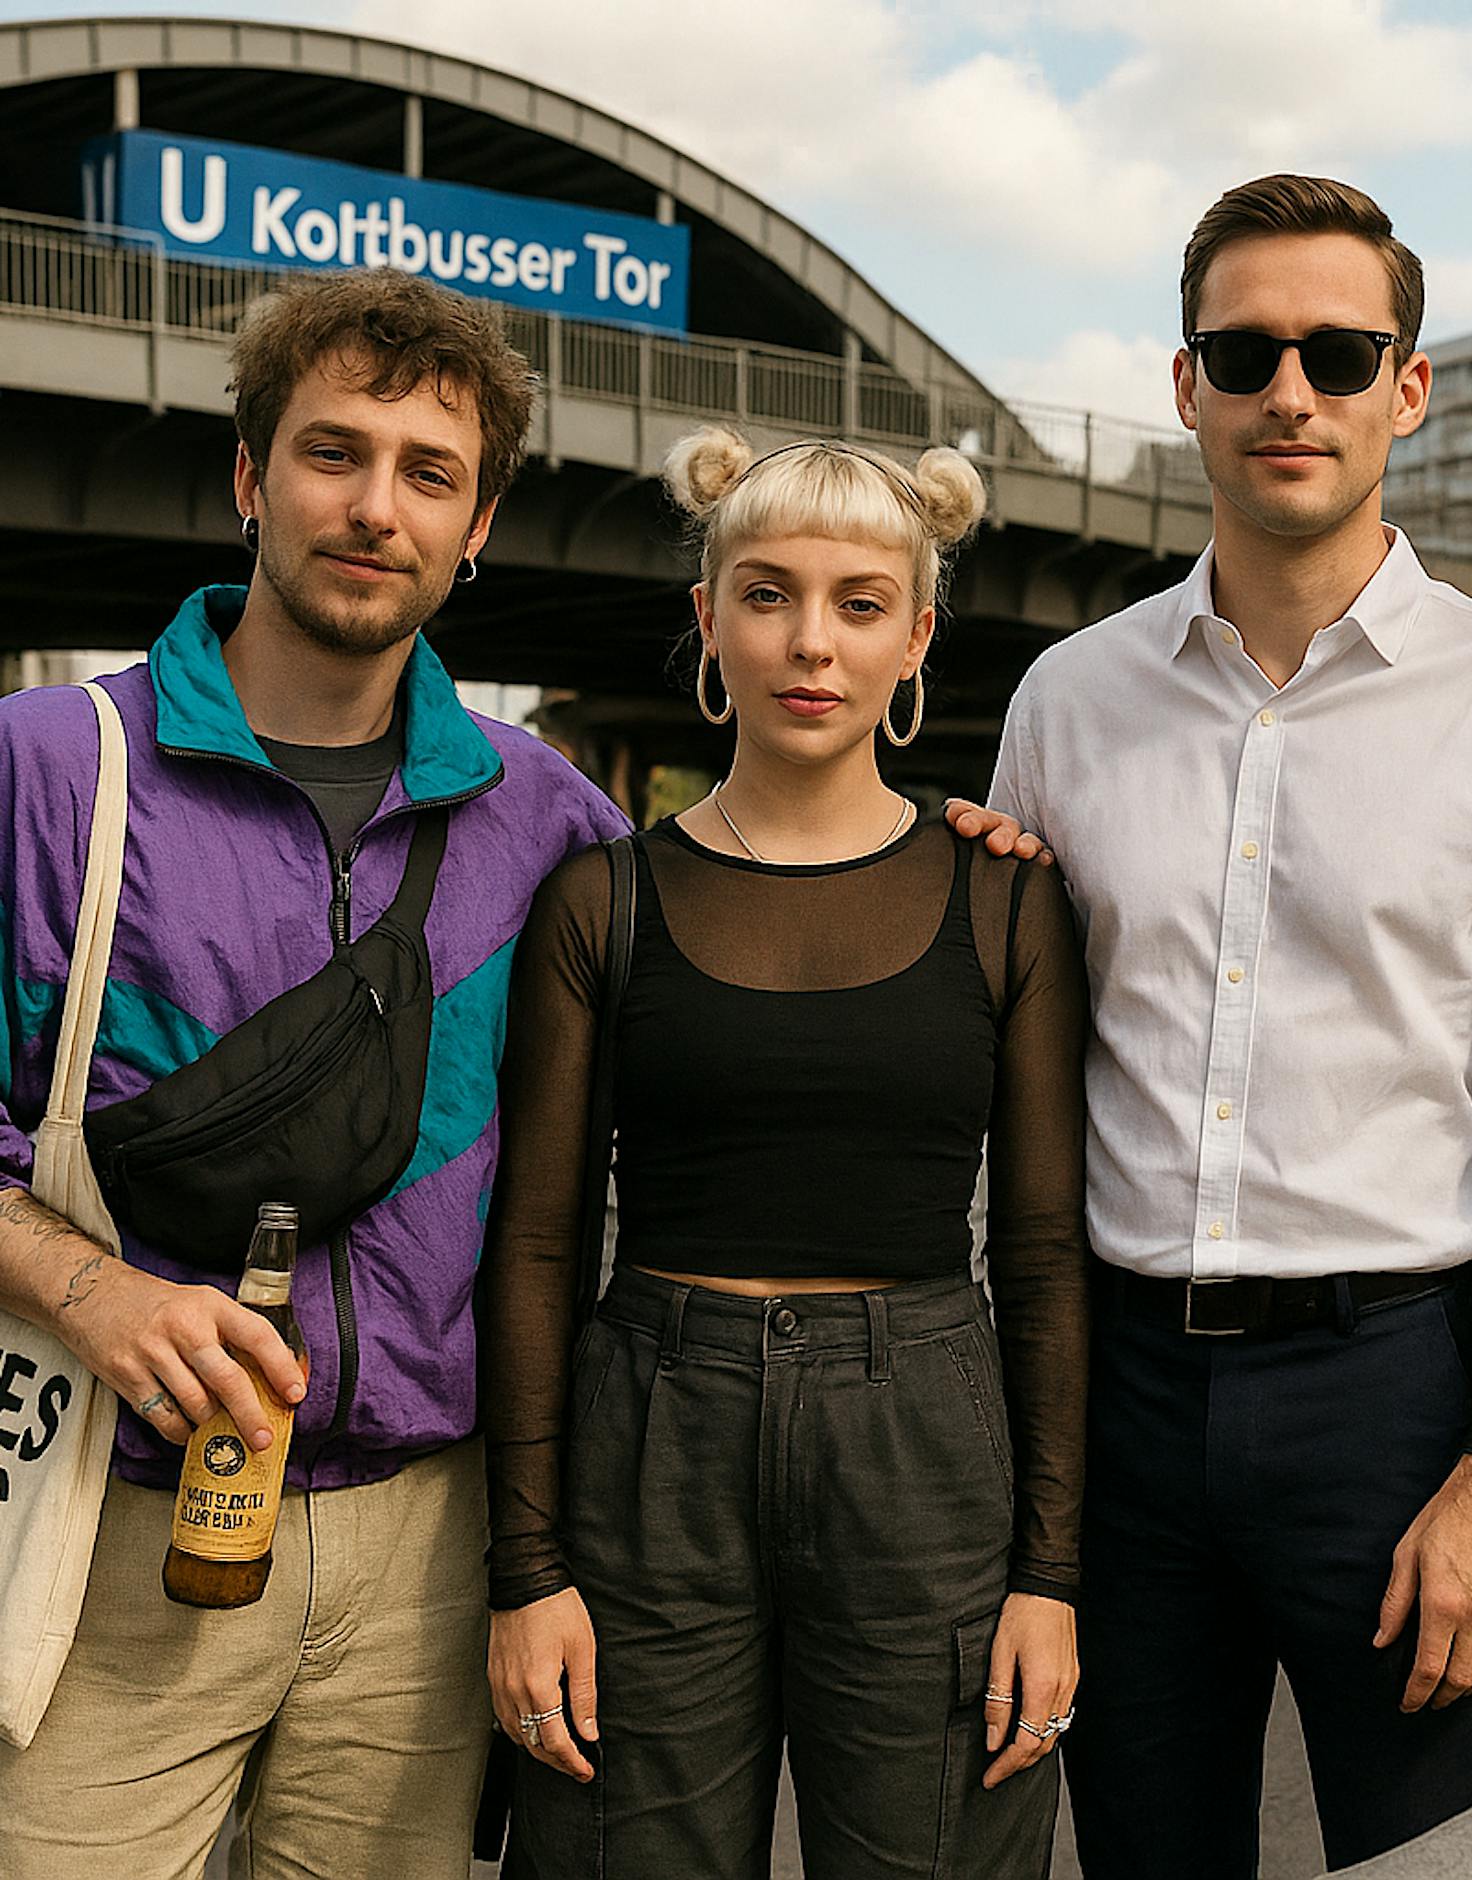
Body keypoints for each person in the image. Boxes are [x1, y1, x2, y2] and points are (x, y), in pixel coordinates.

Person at [951, 173, 1472, 1874]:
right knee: (1137, 1850)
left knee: (1431, 1858)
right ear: (1185, 383)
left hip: (1400, 1402)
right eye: (1246, 352)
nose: (1293, 392)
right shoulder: (1070, 701)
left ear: (1406, 389)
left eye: (1341, 353)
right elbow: (1002, 1060)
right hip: (1114, 1394)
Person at [0, 268, 627, 1878]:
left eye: (431, 473)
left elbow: (761, 981)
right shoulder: (58, 771)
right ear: (248, 478)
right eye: (333, 454)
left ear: (480, 524)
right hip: (108, 1514)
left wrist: (958, 851)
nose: (376, 508)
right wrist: (97, 1293)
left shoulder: (548, 824)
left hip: (426, 1548)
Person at [479, 427, 1092, 1877]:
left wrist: (1051, 1577)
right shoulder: (598, 902)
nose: (811, 642)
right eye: (766, 595)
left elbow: (1047, 1254)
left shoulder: (1004, 903)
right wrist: (528, 1571)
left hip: (928, 1452)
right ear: (707, 618)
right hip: (650, 1453)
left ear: (917, 635)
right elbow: (540, 1249)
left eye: (860, 603)